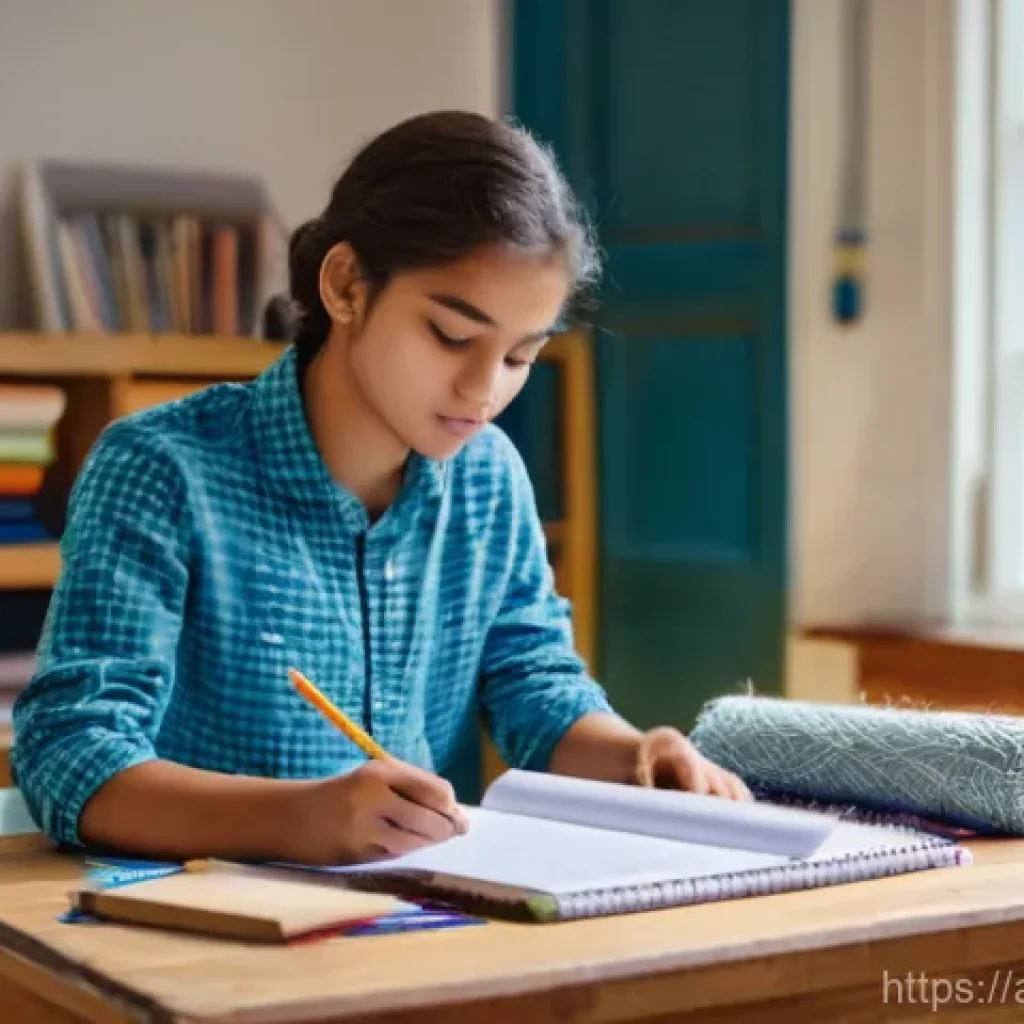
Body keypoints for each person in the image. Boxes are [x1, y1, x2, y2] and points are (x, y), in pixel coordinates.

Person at [12, 111, 749, 867]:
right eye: (452, 337)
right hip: (194, 929)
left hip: (414, 920)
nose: (483, 388)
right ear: (347, 285)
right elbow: (72, 754)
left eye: (521, 356)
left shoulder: (488, 479)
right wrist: (301, 820)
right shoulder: (161, 469)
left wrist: (638, 758)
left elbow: (535, 688)